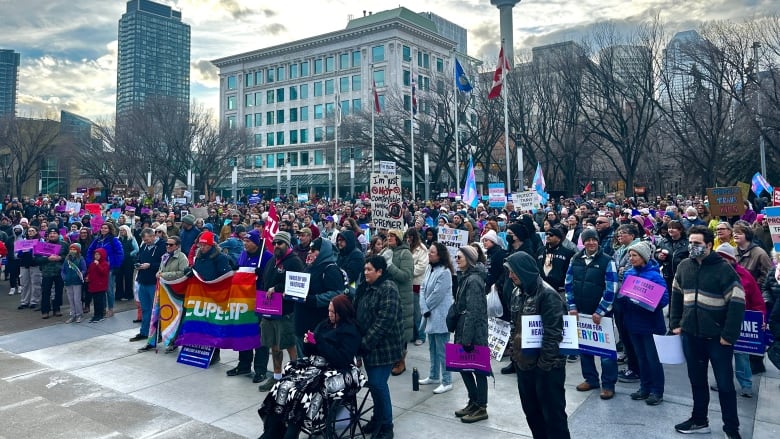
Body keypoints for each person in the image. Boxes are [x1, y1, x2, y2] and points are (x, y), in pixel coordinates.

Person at [670, 226, 745, 437]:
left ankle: (731, 428)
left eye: (697, 244)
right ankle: (699, 420)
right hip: (691, 335)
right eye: (690, 243)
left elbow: (737, 302)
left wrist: (729, 335)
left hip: (717, 339)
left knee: (725, 385)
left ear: (709, 245)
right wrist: (676, 323)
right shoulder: (684, 266)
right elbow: (676, 294)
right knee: (697, 381)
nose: (692, 247)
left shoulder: (723, 269)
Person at [258, 295, 364, 439]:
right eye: (329, 311)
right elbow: (310, 352)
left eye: (333, 312)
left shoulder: (351, 331)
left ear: (342, 312)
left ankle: (292, 431)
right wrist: (309, 343)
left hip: (338, 369)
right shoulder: (325, 324)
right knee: (284, 385)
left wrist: (319, 343)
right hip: (317, 364)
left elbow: (341, 359)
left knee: (305, 392)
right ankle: (274, 428)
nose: (329, 315)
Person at [504, 252, 570, 439]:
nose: (510, 276)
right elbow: (514, 324)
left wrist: (543, 367)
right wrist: (515, 354)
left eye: (513, 272)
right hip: (524, 364)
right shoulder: (517, 292)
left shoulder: (548, 295)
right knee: (532, 414)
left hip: (547, 369)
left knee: (553, 417)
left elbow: (554, 335)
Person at [565, 228, 619, 400]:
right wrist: (572, 306)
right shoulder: (576, 259)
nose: (591, 243)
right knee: (585, 348)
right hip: (581, 312)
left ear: (598, 241)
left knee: (605, 354)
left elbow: (612, 288)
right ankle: (590, 379)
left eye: (594, 239)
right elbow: (568, 284)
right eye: (587, 240)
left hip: (601, 315)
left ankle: (608, 384)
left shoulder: (607, 260)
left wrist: (601, 310)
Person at [354, 256, 403, 439]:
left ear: (380, 272)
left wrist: (364, 343)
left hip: (384, 348)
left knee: (378, 384)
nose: (365, 272)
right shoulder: (366, 287)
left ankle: (386, 426)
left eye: (369, 269)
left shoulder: (388, 289)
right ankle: (377, 418)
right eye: (365, 269)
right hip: (368, 347)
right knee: (375, 386)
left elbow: (384, 322)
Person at [714, 243, 765, 398]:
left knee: (741, 355)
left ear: (731, 260)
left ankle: (746, 385)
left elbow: (757, 300)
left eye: (724, 258)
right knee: (721, 356)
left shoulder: (745, 276)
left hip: (742, 322)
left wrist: (760, 318)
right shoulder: (711, 273)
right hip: (718, 321)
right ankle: (723, 382)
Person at [622, 241, 668, 406]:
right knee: (641, 357)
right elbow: (624, 293)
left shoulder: (655, 276)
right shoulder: (629, 274)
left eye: (634, 255)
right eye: (630, 255)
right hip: (633, 323)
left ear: (644, 257)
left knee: (653, 359)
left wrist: (646, 302)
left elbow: (664, 299)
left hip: (650, 324)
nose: (631, 258)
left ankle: (657, 391)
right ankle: (644, 387)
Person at [257, 231, 304, 392]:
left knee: (290, 344)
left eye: (280, 243)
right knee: (274, 345)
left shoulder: (294, 261)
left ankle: (296, 377)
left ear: (287, 244)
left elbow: (298, 283)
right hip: (269, 310)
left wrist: (277, 288)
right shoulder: (272, 261)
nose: (276, 245)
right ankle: (277, 377)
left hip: (286, 312)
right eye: (275, 243)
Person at [451, 245, 489, 423]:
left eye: (460, 257)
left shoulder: (473, 280)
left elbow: (473, 311)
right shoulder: (464, 276)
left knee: (478, 369)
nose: (457, 259)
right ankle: (473, 401)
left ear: (470, 259)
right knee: (463, 367)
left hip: (474, 331)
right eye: (456, 257)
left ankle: (481, 406)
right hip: (463, 326)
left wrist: (466, 338)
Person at [418, 242, 454, 394]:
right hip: (429, 314)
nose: (429, 254)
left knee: (443, 350)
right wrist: (423, 307)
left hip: (440, 315)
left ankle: (447, 381)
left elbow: (437, 295)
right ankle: (433, 375)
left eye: (432, 252)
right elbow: (422, 288)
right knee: (432, 347)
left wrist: (425, 307)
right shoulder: (429, 268)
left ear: (439, 255)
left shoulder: (445, 272)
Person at [384, 229, 414, 375]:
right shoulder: (386, 251)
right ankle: (392, 358)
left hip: (402, 296)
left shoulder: (405, 254)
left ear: (398, 238)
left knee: (402, 329)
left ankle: (400, 360)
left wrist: (390, 265)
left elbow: (406, 275)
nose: (389, 238)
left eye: (392, 236)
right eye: (388, 235)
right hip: (387, 295)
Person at [133, 228, 167, 351]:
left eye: (147, 239)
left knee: (155, 309)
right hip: (143, 280)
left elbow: (164, 263)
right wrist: (137, 263)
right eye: (144, 240)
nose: (145, 242)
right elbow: (139, 257)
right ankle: (144, 332)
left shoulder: (162, 246)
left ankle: (157, 334)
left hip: (154, 282)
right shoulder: (144, 246)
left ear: (153, 236)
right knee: (145, 308)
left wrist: (150, 265)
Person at [86, 223, 124, 318]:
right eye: (102, 228)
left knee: (109, 289)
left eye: (105, 228)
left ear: (109, 229)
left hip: (109, 268)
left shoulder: (114, 240)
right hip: (97, 268)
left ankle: (110, 309)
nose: (103, 229)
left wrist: (116, 266)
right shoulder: (97, 239)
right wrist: (91, 262)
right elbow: (90, 251)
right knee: (100, 289)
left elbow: (120, 253)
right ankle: (102, 308)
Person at [36, 227, 69, 319]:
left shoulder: (64, 245)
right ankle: (45, 310)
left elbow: (69, 256)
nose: (52, 235)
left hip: (59, 272)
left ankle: (57, 308)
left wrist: (60, 258)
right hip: (47, 272)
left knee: (58, 291)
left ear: (58, 234)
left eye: (54, 233)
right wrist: (47, 259)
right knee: (46, 292)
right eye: (50, 233)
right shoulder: (43, 245)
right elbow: (37, 259)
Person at [405, 228, 428, 346]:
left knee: (418, 313)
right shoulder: (406, 248)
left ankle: (421, 335)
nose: (409, 239)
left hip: (417, 283)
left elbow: (422, 266)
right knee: (411, 313)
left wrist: (408, 271)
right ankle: (413, 334)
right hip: (408, 284)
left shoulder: (422, 249)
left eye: (411, 237)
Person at [17, 226, 42, 310]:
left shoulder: (40, 241)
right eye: (29, 231)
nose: (30, 232)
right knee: (24, 284)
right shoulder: (23, 241)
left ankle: (34, 301)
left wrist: (33, 251)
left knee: (36, 283)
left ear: (36, 232)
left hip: (35, 264)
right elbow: (18, 254)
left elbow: (41, 253)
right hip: (24, 264)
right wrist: (21, 251)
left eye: (32, 231)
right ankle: (24, 301)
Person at [61, 243, 86, 324]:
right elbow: (63, 270)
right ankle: (73, 314)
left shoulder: (80, 259)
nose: (72, 251)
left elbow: (84, 269)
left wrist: (79, 275)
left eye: (74, 249)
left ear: (78, 250)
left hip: (77, 282)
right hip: (68, 282)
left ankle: (79, 314)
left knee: (77, 299)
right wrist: (64, 277)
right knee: (70, 299)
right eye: (71, 249)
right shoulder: (66, 259)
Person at [116, 225, 139, 301]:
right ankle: (119, 295)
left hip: (128, 261)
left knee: (128, 278)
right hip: (119, 261)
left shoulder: (131, 239)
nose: (122, 231)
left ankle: (128, 295)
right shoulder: (117, 239)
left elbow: (136, 249)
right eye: (121, 230)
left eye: (123, 230)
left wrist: (129, 254)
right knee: (119, 278)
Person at [86, 248, 110, 323]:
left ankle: (100, 315)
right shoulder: (92, 264)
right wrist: (87, 277)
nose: (96, 256)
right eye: (95, 254)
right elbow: (90, 272)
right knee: (95, 301)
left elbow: (104, 272)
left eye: (98, 254)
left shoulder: (105, 263)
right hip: (93, 285)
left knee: (100, 301)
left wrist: (98, 265)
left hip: (101, 286)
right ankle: (96, 315)